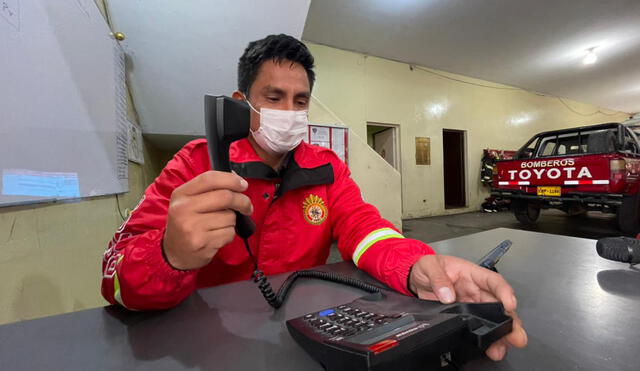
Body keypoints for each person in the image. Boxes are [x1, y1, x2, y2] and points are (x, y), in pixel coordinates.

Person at [101, 34, 526, 360]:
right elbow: (115, 278)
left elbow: (365, 228)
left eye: (299, 100)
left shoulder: (325, 166)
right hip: (205, 343)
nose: (289, 111)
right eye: (273, 97)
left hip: (305, 336)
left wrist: (416, 264)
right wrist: (169, 254)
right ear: (240, 103)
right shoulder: (195, 165)